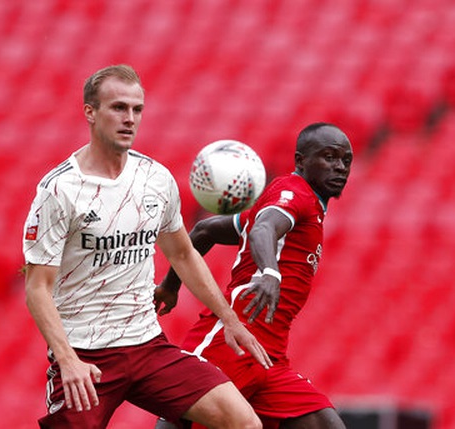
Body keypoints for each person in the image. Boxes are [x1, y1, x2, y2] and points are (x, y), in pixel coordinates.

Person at [22, 64, 272, 429]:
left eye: (137, 109)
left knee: (244, 423)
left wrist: (229, 319)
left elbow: (183, 253)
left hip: (147, 345)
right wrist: (67, 359)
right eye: (118, 108)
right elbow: (36, 287)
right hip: (85, 356)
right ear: (90, 112)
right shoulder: (60, 190)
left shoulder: (155, 179)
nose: (130, 119)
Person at [154, 122, 353, 429]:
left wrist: (170, 287)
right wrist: (269, 271)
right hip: (231, 339)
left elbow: (206, 230)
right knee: (182, 418)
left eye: (346, 160)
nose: (340, 167)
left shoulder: (300, 206)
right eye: (329, 157)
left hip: (269, 354)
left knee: (327, 425)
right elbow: (264, 229)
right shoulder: (292, 192)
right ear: (301, 161)